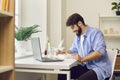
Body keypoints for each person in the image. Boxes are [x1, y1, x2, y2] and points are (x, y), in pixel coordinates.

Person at [57, 13, 112, 80]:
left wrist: (82, 59)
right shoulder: (78, 37)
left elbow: (99, 52)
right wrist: (62, 52)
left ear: (79, 23)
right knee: (62, 73)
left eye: (73, 27)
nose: (72, 30)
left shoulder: (95, 33)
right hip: (87, 67)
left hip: (99, 68)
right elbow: (72, 50)